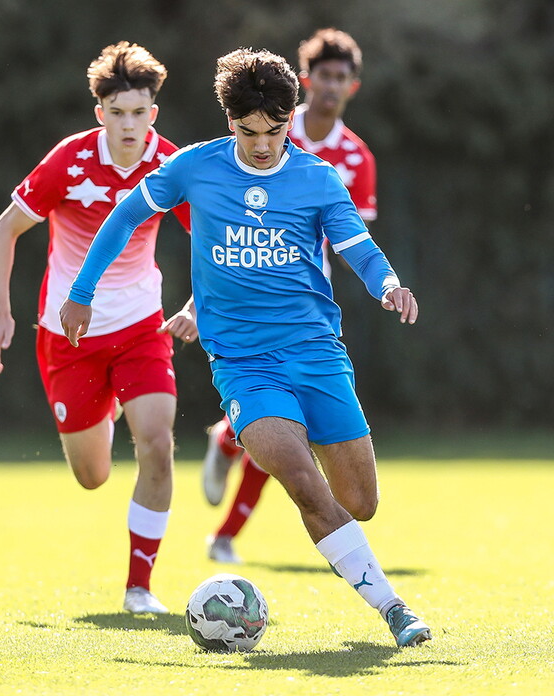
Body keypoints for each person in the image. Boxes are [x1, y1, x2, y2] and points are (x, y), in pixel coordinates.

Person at [60, 48, 431, 647]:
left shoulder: (317, 178)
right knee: (301, 479)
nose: (262, 145)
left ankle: (272, 473)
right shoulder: (194, 167)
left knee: (360, 502)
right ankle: (394, 609)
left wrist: (388, 284)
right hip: (243, 365)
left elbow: (357, 247)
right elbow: (124, 217)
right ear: (229, 120)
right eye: (248, 131)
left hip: (316, 353)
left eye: (274, 131)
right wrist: (82, 293)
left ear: (289, 120)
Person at [0, 42, 196, 615]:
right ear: (100, 112)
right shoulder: (69, 162)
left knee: (157, 445)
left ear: (154, 112)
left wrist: (196, 306)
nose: (129, 125)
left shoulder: (170, 166)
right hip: (68, 337)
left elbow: (214, 243)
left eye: (139, 112)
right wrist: (1, 313)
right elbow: (5, 230)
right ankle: (105, 407)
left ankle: (139, 588)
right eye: (117, 112)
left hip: (142, 328)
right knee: (93, 475)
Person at [202, 28, 378, 566]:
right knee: (284, 436)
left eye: (341, 77)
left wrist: (377, 277)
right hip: (245, 286)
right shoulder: (272, 124)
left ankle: (226, 455)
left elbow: (352, 243)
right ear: (307, 81)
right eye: (324, 75)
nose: (332, 85)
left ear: (353, 86)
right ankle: (226, 518)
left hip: (304, 305)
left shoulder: (355, 158)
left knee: (291, 436)